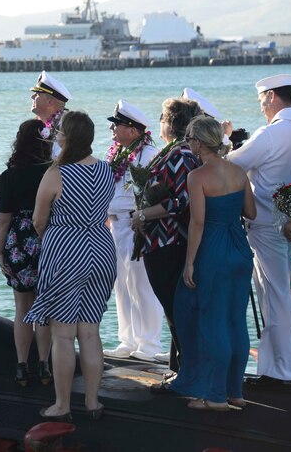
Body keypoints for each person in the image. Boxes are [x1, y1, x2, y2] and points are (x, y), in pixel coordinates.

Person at [24, 111, 117, 421]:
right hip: (101, 249)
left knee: (63, 335)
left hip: (66, 250)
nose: (56, 133)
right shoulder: (106, 169)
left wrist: (55, 235)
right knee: (90, 332)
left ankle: (62, 406)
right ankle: (92, 403)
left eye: (60, 129)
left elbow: (39, 219)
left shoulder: (56, 172)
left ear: (66, 137)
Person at [164, 116, 257, 411]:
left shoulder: (198, 176)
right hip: (239, 248)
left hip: (213, 250)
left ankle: (215, 397)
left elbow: (198, 223)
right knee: (235, 322)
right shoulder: (238, 171)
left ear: (201, 142)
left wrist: (189, 263)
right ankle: (235, 392)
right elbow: (251, 212)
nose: (188, 142)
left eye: (190, 138)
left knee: (213, 322)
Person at [226, 73, 291, 390]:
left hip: (270, 228)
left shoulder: (272, 134)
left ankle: (279, 370)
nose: (261, 107)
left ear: (272, 97)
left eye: (261, 100)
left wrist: (227, 141)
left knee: (276, 296)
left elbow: (231, 164)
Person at [132, 98, 202, 376]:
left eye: (162, 116)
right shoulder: (176, 152)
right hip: (165, 240)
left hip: (169, 241)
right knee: (175, 309)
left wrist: (143, 214)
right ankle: (180, 368)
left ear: (171, 122)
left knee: (176, 309)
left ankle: (187, 372)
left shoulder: (180, 155)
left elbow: (180, 201)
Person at [102, 100, 165, 363]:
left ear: (132, 129)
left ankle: (149, 343)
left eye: (117, 125)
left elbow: (154, 192)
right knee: (122, 284)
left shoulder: (148, 154)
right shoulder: (118, 152)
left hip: (136, 223)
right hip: (117, 223)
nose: (113, 130)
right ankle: (127, 339)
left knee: (141, 283)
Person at [0, 120, 54, 386]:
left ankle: (21, 367)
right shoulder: (53, 172)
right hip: (48, 239)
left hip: (18, 240)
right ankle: (44, 365)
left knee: (22, 308)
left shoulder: (9, 176)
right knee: (43, 307)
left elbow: (3, 220)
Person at [0, 71, 71, 193]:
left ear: (49, 102)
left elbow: (62, 168)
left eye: (37, 94)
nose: (32, 97)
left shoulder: (65, 127)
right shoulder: (42, 127)